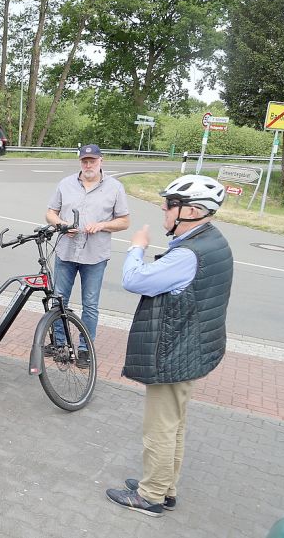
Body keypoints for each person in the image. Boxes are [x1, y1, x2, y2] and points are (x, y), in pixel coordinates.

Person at [105, 175, 233, 517]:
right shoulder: (212, 241)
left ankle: (150, 497)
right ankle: (165, 487)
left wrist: (138, 246)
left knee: (159, 426)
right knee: (174, 422)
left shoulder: (189, 255)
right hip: (193, 347)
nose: (163, 209)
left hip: (175, 350)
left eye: (169, 205)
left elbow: (135, 280)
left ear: (190, 211)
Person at [45, 144, 130, 352]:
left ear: (101, 161)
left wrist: (103, 225)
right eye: (84, 161)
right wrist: (61, 225)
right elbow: (50, 213)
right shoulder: (65, 184)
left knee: (90, 305)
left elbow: (124, 221)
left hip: (95, 255)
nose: (88, 164)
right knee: (59, 300)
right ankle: (59, 343)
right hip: (65, 251)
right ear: (80, 162)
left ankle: (85, 349)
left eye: (92, 160)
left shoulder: (115, 187)